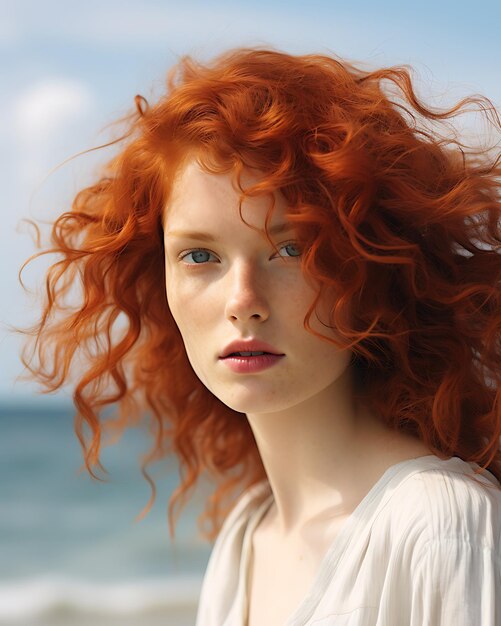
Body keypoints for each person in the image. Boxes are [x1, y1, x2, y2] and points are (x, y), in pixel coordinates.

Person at [20, 48, 501, 625]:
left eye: (291, 248)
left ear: (370, 266)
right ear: (161, 281)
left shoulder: (442, 526)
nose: (242, 301)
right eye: (200, 255)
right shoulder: (247, 535)